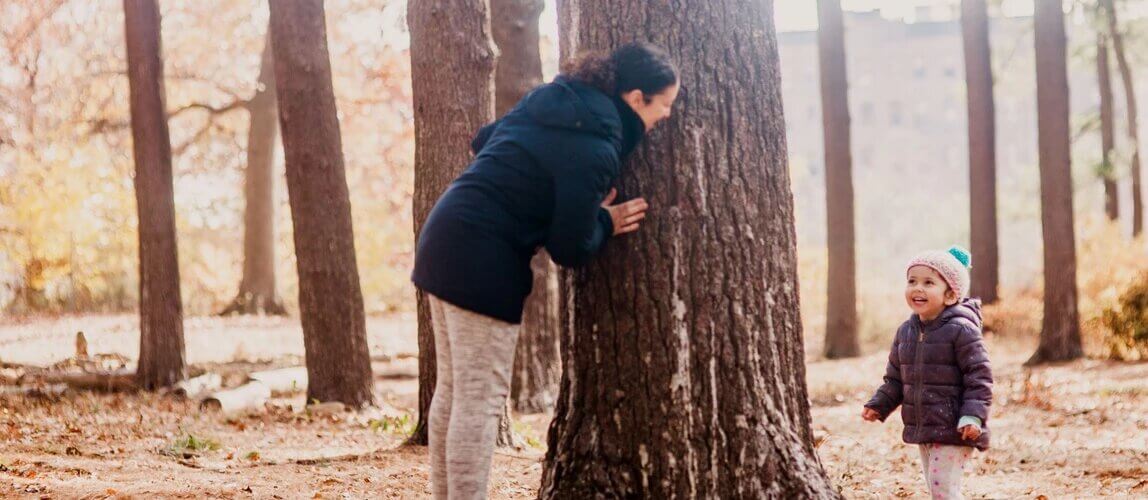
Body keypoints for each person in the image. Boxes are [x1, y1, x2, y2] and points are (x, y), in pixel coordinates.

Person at [411, 41, 680, 499]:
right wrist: (603, 219)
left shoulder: (557, 100)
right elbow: (569, 247)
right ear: (636, 99)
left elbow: (485, 137)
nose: (668, 116)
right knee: (480, 397)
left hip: (445, 234)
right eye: (665, 105)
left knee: (456, 390)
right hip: (482, 259)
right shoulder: (597, 142)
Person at [862, 246, 993, 500]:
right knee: (939, 490)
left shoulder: (961, 330)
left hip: (956, 427)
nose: (917, 288)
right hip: (925, 427)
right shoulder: (906, 332)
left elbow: (979, 379)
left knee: (943, 491)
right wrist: (879, 404)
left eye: (928, 282)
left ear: (950, 295)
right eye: (912, 281)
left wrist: (973, 418)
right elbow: (895, 379)